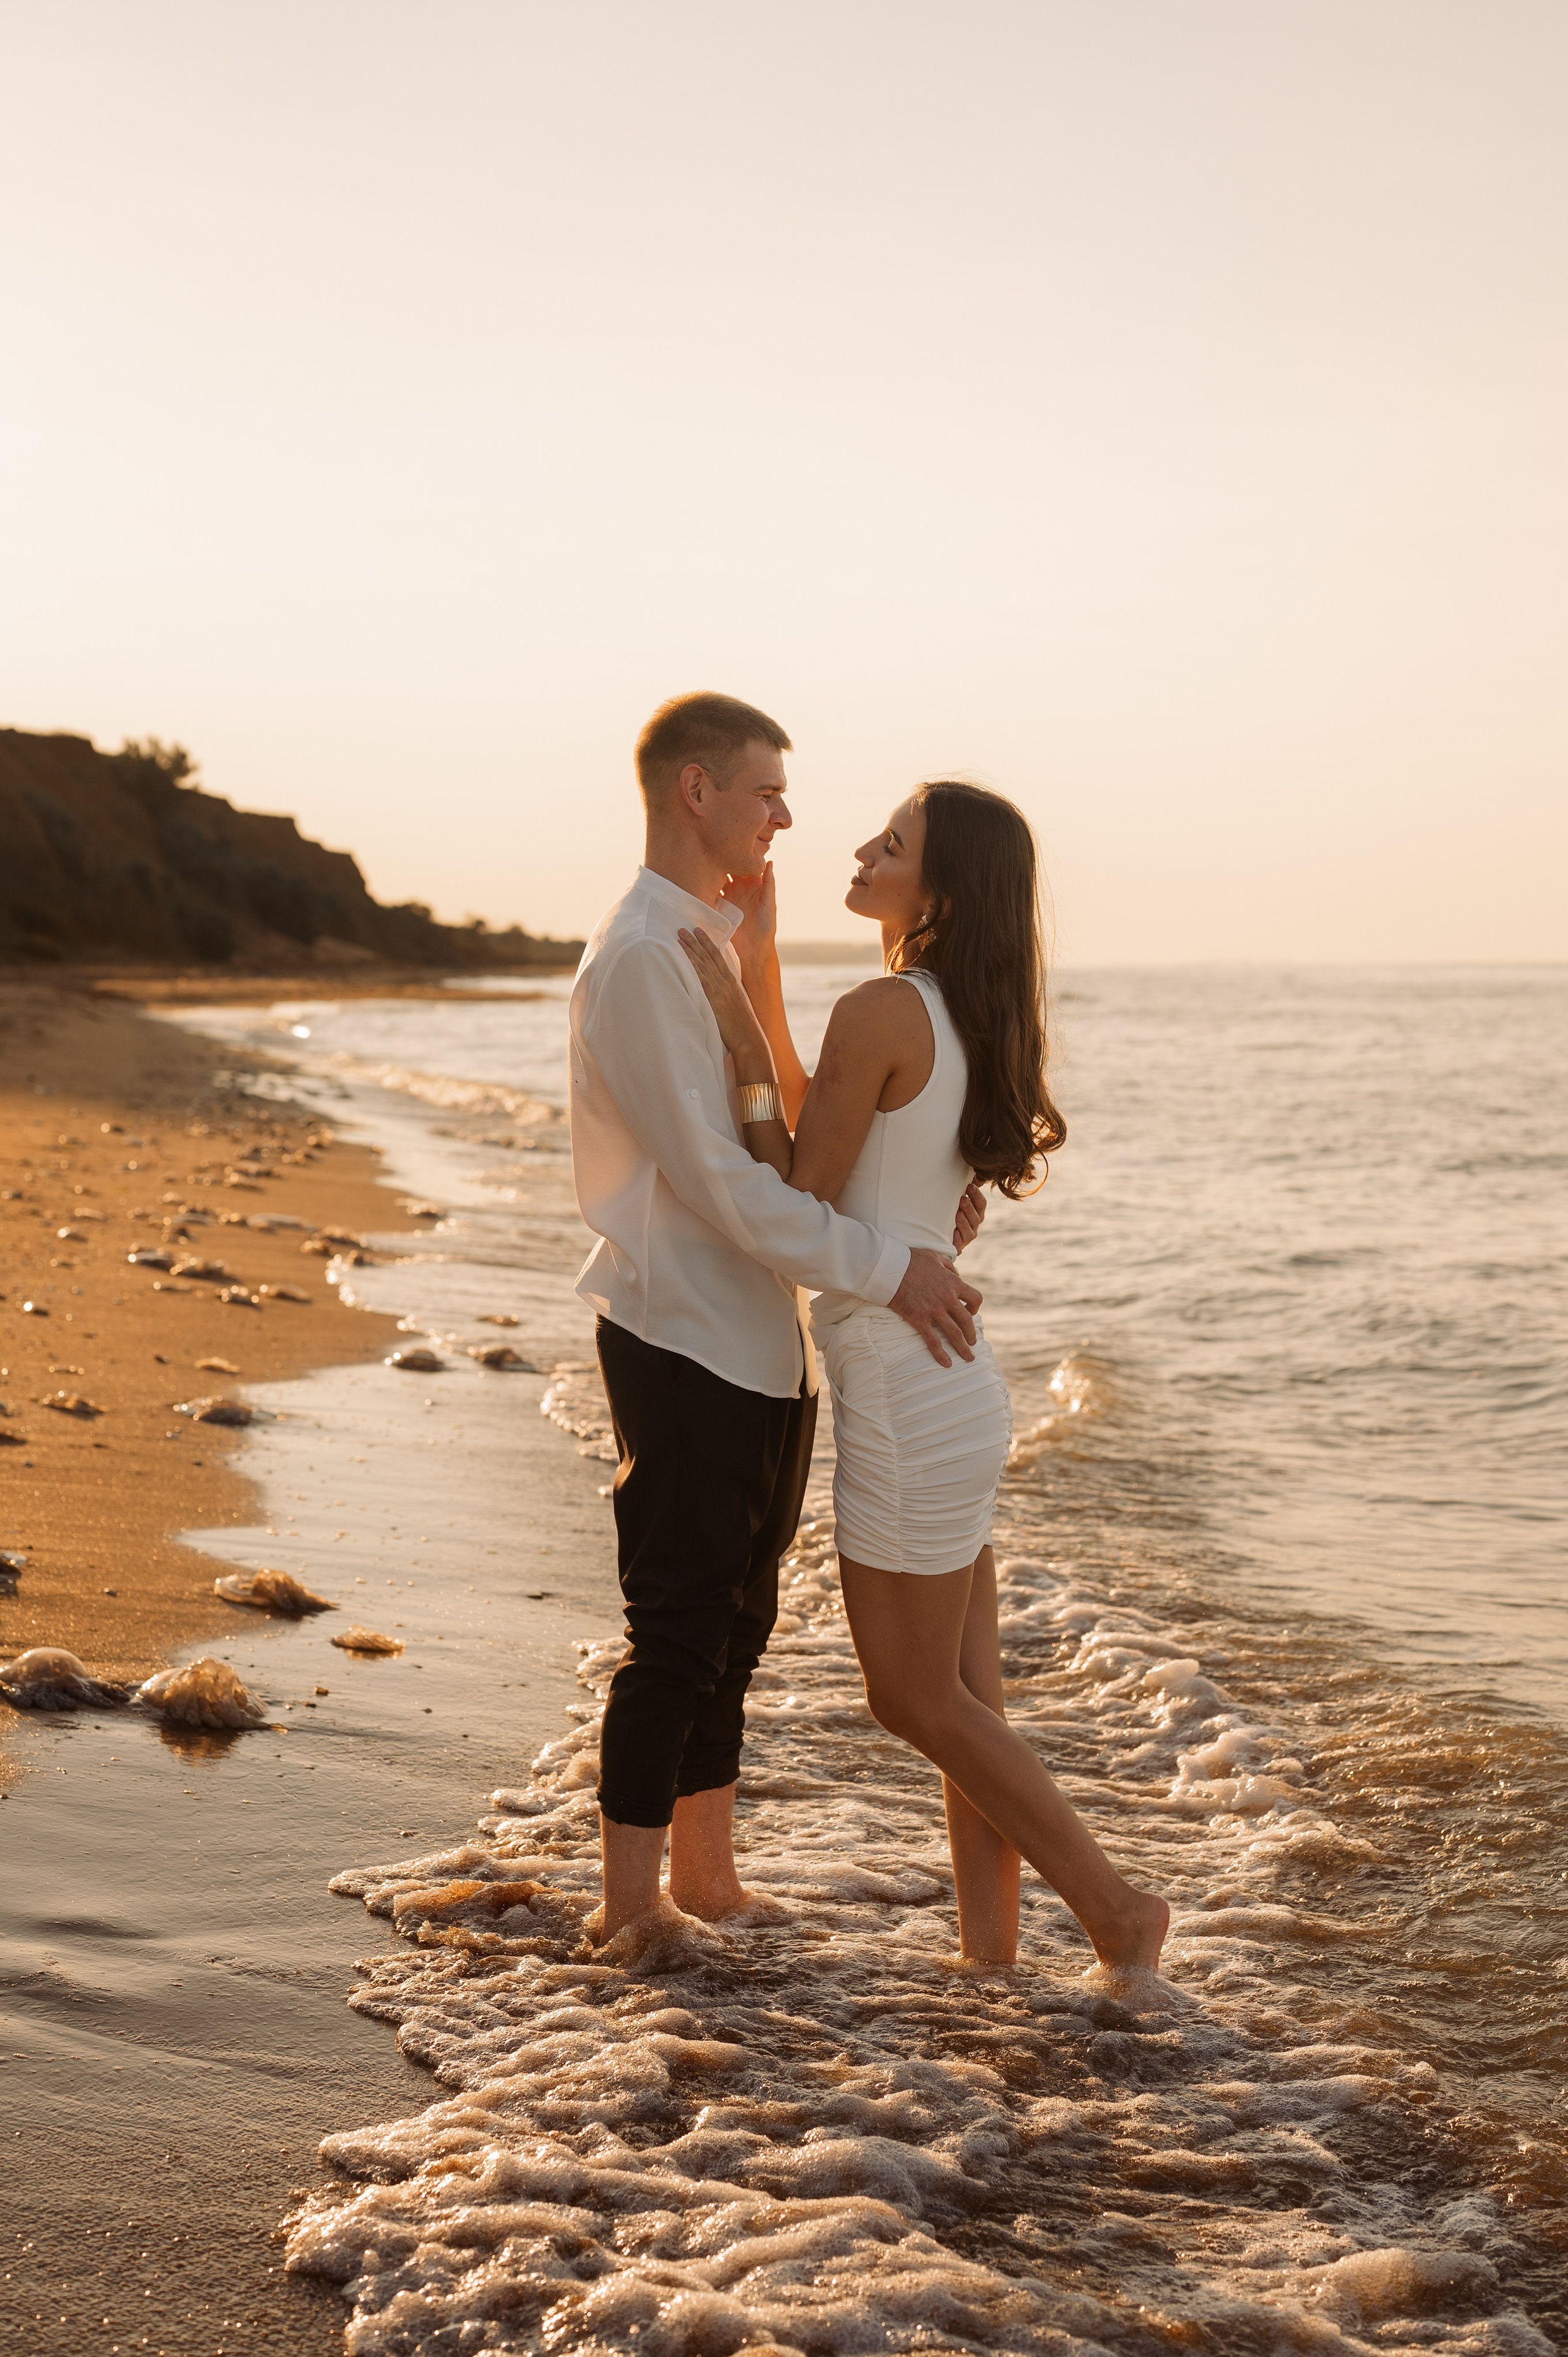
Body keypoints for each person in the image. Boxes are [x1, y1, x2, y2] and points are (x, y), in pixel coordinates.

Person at [679, 777, 1169, 1973]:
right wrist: (769, 978)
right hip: (953, 1384)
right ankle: (989, 1965)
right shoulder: (955, 1016)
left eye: (889, 844)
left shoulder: (883, 1009)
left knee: (913, 1699)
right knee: (964, 1704)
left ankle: (1113, 1908)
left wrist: (746, 999)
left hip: (906, 1388)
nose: (859, 848)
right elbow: (856, 1158)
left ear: (940, 890)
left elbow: (795, 1184)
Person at [570, 692, 989, 1942]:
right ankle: (628, 1911)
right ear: (694, 792)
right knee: (678, 1627)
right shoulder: (645, 957)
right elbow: (727, 1186)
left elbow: (784, 1145)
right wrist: (890, 1265)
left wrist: (908, 1219)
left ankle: (707, 1879)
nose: (788, 817)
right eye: (765, 792)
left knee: (737, 1622)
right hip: (682, 1332)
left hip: (757, 1341)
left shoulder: (698, 942)